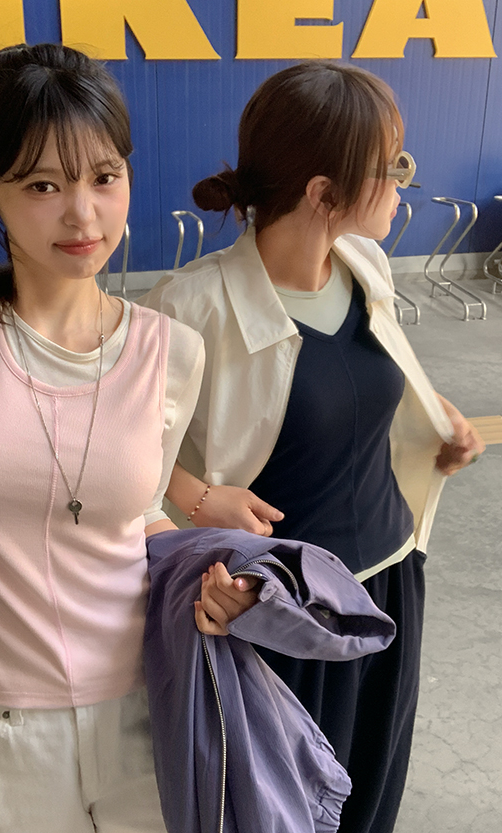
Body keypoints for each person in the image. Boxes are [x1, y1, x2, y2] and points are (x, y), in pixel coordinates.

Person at [0, 44, 230, 833]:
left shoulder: (171, 351)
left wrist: (201, 570)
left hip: (147, 708)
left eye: (104, 177)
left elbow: (136, 514)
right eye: (41, 185)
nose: (83, 215)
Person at [142, 60, 485, 833]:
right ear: (323, 192)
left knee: (371, 798)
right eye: (393, 168)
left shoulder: (364, 266)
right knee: (285, 812)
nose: (404, 185)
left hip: (386, 588)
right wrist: (199, 497)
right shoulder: (192, 306)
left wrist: (433, 415)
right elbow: (119, 459)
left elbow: (366, 379)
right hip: (282, 613)